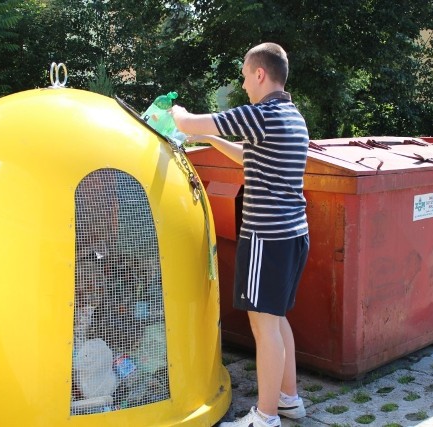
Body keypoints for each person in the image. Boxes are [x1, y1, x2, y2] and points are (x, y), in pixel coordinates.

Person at [171, 42, 310, 427]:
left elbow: (189, 123)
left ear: (260, 74)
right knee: (277, 319)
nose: (245, 83)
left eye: (246, 75)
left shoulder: (260, 114)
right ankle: (288, 400)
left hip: (266, 237)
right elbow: (251, 157)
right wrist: (214, 141)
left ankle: (265, 418)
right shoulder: (290, 115)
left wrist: (176, 113)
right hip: (292, 234)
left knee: (263, 326)